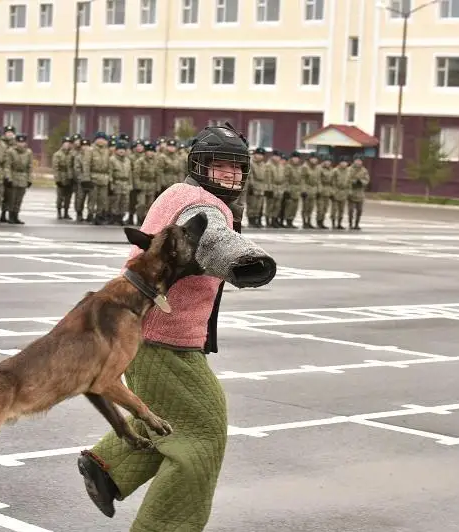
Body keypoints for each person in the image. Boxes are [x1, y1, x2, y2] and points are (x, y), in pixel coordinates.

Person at [77, 122, 277, 531]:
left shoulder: (178, 192)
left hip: (144, 330)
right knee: (203, 434)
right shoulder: (201, 204)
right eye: (220, 165)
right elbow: (209, 236)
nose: (229, 174)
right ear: (199, 165)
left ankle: (108, 466)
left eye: (235, 167)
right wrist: (244, 260)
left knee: (172, 415)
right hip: (161, 341)